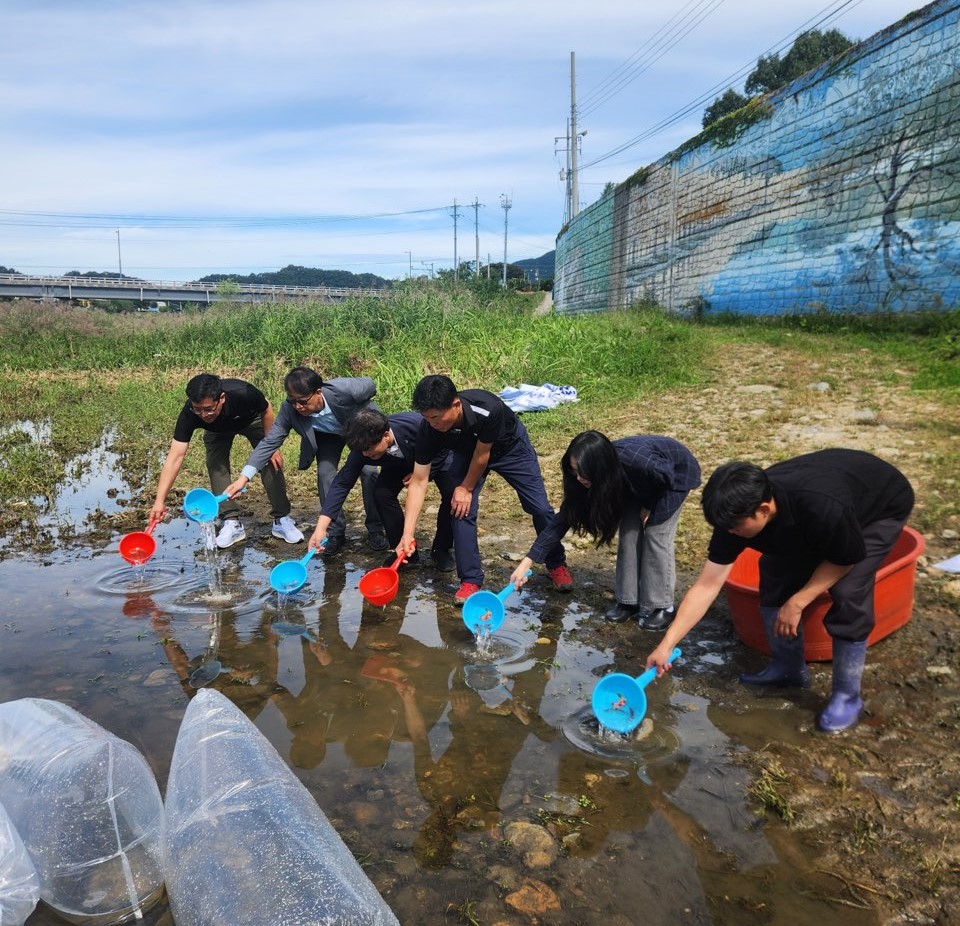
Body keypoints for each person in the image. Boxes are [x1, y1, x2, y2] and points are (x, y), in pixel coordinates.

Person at [646, 448, 915, 733]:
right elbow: (707, 585)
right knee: (775, 574)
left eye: (735, 528)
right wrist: (667, 644)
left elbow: (845, 559)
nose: (730, 533)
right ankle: (788, 670)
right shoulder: (733, 517)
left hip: (879, 507)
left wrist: (799, 600)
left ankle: (847, 697)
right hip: (823, 507)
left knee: (849, 590)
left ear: (763, 510)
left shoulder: (820, 504)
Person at [397, 374, 573, 605]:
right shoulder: (429, 429)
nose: (432, 423)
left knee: (539, 507)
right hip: (467, 453)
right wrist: (408, 533)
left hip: (510, 449)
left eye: (436, 417)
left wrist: (466, 488)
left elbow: (483, 455)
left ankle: (556, 563)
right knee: (460, 510)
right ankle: (470, 580)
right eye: (426, 418)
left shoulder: (487, 408)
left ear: (456, 405)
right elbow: (419, 480)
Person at [509, 431, 701, 630]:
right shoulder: (588, 478)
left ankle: (661, 606)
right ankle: (628, 601)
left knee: (656, 535)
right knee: (629, 534)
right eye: (574, 471)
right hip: (633, 482)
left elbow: (665, 475)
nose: (579, 478)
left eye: (583, 472)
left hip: (671, 479)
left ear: (598, 467)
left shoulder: (638, 461)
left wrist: (650, 505)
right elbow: (561, 521)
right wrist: (528, 561)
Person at [224, 366, 385, 557]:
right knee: (326, 474)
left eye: (303, 401)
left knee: (368, 472)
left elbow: (370, 385)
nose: (298, 407)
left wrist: (370, 420)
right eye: (293, 401)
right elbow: (269, 443)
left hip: (359, 430)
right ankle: (335, 533)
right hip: (328, 437)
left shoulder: (343, 390)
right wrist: (244, 478)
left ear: (318, 392)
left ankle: (375, 529)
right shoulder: (289, 409)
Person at [149, 373, 303, 549]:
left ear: (221, 398)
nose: (203, 414)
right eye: (198, 409)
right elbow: (175, 457)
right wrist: (159, 501)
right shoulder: (190, 413)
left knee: (270, 460)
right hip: (216, 430)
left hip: (250, 420)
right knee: (216, 464)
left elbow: (266, 408)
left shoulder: (243, 393)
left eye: (208, 409)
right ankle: (231, 522)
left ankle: (281, 519)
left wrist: (271, 444)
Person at [306, 408, 455, 569]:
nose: (365, 454)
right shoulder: (363, 449)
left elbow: (443, 447)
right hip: (397, 462)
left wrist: (423, 473)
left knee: (451, 494)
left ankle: (441, 549)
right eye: (362, 451)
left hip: (436, 458)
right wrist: (321, 527)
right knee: (381, 494)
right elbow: (342, 483)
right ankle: (404, 551)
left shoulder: (419, 426)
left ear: (386, 435)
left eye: (369, 450)